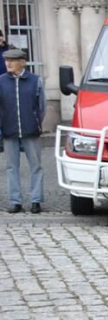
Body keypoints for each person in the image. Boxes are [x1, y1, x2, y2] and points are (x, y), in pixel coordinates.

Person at [0, 49, 45, 214]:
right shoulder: (2, 81)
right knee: (11, 167)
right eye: (6, 61)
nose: (8, 64)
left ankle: (36, 200)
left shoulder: (35, 81)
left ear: (23, 62)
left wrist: (36, 124)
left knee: (36, 166)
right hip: (9, 129)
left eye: (12, 60)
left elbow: (42, 107)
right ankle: (15, 201)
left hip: (30, 129)